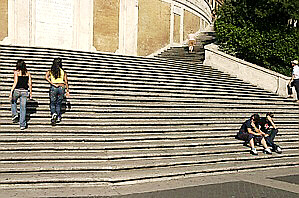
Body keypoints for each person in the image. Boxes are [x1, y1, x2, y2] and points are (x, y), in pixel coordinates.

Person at [45, 58, 70, 126]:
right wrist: (67, 90)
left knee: (53, 102)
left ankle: (53, 114)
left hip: (54, 87)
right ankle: (58, 116)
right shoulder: (63, 71)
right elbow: (66, 81)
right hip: (61, 87)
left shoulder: (51, 70)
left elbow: (46, 77)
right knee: (58, 103)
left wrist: (52, 83)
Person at [9, 60, 32, 130]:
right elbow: (30, 84)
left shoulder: (16, 72)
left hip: (17, 90)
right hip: (24, 91)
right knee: (23, 108)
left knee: (13, 101)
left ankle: (15, 114)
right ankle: (22, 124)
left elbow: (15, 82)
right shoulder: (28, 73)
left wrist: (11, 92)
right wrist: (30, 93)